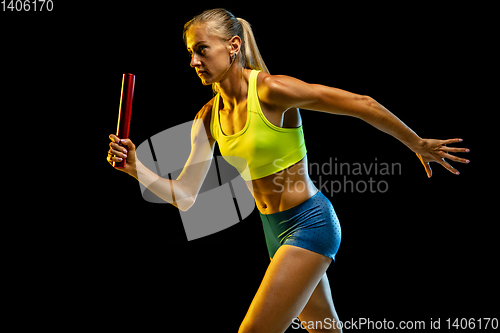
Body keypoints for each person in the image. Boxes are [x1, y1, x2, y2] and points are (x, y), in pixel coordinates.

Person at [107, 8, 469, 333]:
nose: (193, 61)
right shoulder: (206, 118)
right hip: (273, 233)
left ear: (233, 46)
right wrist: (136, 167)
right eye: (189, 52)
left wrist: (417, 143)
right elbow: (186, 196)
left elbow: (362, 103)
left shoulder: (270, 91)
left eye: (201, 49)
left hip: (309, 225)